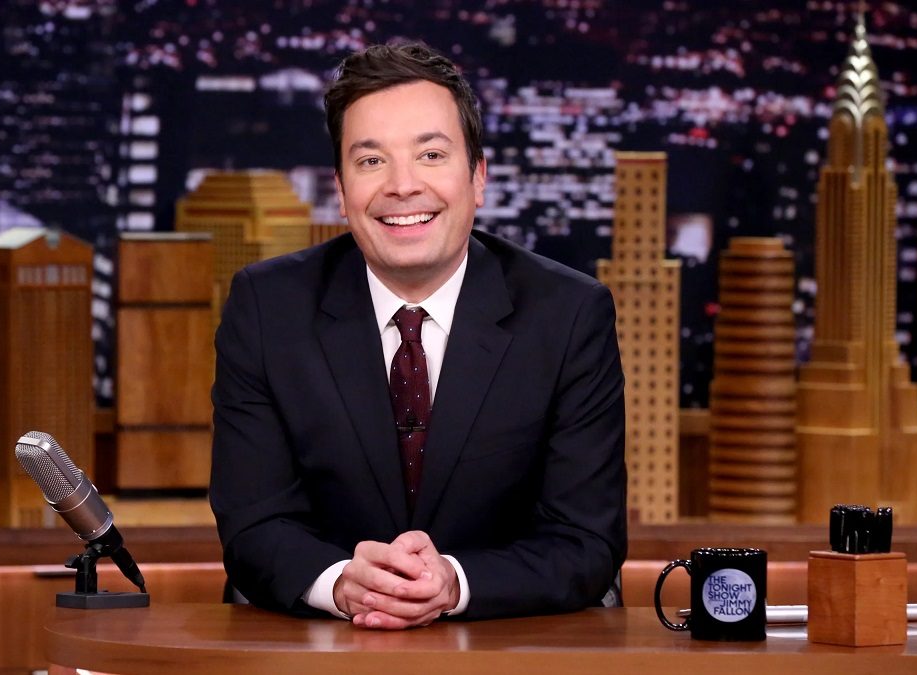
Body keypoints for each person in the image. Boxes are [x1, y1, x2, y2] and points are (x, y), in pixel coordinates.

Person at [209, 41, 627, 630]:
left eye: (431, 154)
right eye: (371, 161)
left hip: (509, 652)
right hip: (317, 653)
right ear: (340, 187)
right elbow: (253, 526)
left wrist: (453, 582)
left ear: (478, 177)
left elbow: (586, 541)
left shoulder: (568, 314)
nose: (402, 186)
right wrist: (341, 582)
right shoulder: (267, 308)